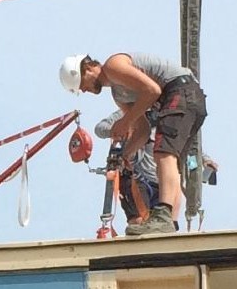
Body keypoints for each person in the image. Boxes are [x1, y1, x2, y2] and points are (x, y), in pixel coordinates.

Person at [61, 50, 206, 237]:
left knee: (163, 154)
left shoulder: (113, 65)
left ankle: (163, 218)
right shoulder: (119, 94)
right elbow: (143, 131)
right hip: (187, 99)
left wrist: (125, 121)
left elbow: (152, 91)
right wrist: (125, 155)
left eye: (82, 84)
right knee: (170, 159)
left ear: (88, 68)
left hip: (180, 91)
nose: (84, 90)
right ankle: (168, 225)